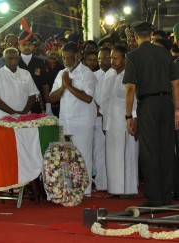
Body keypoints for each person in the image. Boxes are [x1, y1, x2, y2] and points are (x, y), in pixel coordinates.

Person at [123, 21, 179, 206]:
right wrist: (177, 109)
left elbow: (130, 88)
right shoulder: (165, 53)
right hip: (167, 104)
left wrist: (128, 116)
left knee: (149, 151)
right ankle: (166, 196)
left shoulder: (133, 56)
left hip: (148, 105)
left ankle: (154, 198)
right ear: (151, 34)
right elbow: (176, 84)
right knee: (166, 149)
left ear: (136, 36)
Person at [50, 41, 97, 196]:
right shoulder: (61, 73)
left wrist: (69, 86)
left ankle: (85, 191)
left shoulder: (87, 73)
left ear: (78, 56)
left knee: (83, 157)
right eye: (64, 58)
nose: (66, 61)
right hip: (65, 121)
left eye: (69, 58)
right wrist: (63, 86)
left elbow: (88, 98)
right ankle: (70, 190)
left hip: (83, 123)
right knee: (66, 157)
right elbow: (51, 98)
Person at [101, 45, 138, 196]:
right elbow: (104, 100)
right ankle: (115, 189)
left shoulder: (131, 74)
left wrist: (134, 119)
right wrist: (104, 121)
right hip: (110, 122)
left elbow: (135, 100)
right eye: (111, 58)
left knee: (127, 155)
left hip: (125, 121)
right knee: (112, 156)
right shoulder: (109, 74)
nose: (112, 61)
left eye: (116, 58)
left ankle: (127, 189)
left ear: (125, 59)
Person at [0, 47, 39, 119]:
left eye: (16, 58)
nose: (13, 61)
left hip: (25, 117)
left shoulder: (26, 73)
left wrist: (24, 112)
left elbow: (32, 95)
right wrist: (14, 113)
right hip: (5, 118)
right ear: (3, 60)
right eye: (10, 58)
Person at [92, 47, 111, 191]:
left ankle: (114, 183)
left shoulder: (118, 74)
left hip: (114, 118)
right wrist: (97, 109)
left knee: (113, 152)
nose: (102, 62)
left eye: (105, 58)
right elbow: (89, 96)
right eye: (100, 59)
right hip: (97, 119)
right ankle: (101, 183)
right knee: (98, 151)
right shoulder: (93, 75)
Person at [18, 30, 49, 114]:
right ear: (19, 46)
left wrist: (48, 105)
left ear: (33, 46)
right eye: (24, 44)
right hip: (19, 102)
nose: (27, 47)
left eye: (29, 44)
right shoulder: (15, 62)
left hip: (37, 102)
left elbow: (45, 85)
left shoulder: (40, 62)